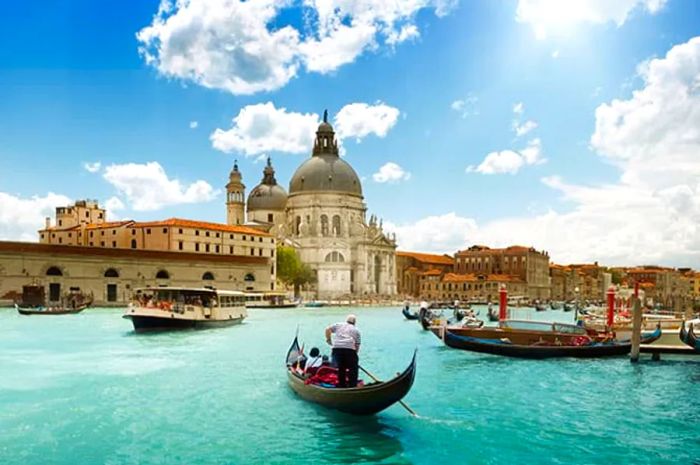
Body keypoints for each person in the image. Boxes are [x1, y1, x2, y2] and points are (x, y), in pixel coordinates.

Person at [325, 314, 361, 388]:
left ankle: (342, 385)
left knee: (341, 368)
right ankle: (352, 386)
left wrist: (328, 339)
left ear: (346, 320)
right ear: (354, 322)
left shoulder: (338, 325)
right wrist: (354, 357)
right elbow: (357, 345)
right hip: (349, 350)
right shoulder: (356, 330)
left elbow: (327, 329)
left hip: (336, 349)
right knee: (353, 368)